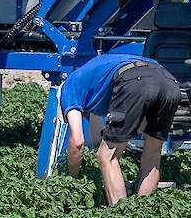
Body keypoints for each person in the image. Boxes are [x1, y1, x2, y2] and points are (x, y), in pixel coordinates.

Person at [60, 53, 180, 206]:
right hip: (169, 82)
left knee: (106, 156)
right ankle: (141, 211)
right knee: (152, 155)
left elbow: (77, 142)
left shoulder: (69, 88)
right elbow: (106, 134)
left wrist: (72, 178)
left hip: (134, 81)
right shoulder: (93, 80)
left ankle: (120, 212)